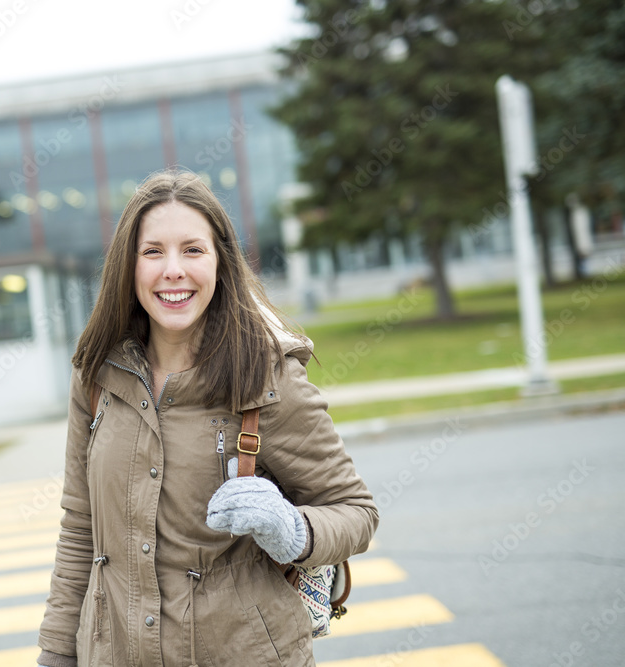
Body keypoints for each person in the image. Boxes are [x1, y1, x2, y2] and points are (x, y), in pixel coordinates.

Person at [37, 170, 378, 666]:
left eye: (192, 250)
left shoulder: (266, 374)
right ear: (127, 267)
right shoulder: (97, 375)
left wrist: (292, 529)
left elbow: (356, 512)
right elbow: (80, 531)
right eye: (152, 251)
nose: (173, 270)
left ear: (220, 261)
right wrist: (56, 654)